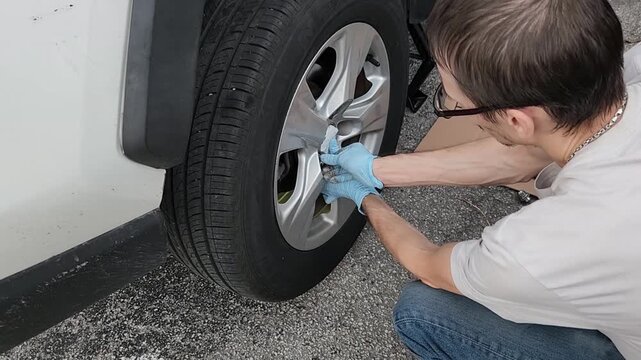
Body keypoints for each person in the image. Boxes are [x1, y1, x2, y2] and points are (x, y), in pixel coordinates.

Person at [320, 0, 641, 358]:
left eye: (456, 103)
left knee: (423, 312)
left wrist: (366, 198)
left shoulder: (540, 248)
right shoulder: (629, 75)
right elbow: (530, 152)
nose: (457, 110)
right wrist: (377, 170)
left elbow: (428, 263)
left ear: (517, 121)